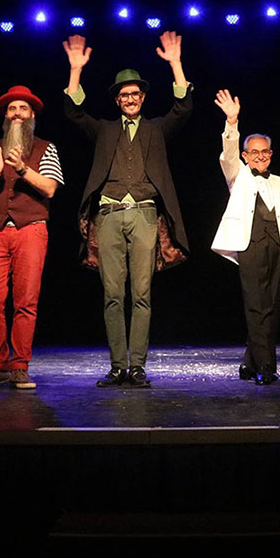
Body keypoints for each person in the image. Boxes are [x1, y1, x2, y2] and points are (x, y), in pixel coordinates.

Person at [62, 32, 192, 388]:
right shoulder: (104, 130)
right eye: (124, 95)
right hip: (108, 215)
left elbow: (183, 108)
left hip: (145, 215)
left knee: (142, 294)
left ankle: (137, 366)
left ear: (143, 98)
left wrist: (175, 63)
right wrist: (76, 70)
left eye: (135, 94)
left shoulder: (156, 128)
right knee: (113, 295)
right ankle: (118, 366)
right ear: (117, 100)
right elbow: (73, 112)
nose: (130, 99)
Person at [210, 89, 280, 385]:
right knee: (256, 305)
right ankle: (267, 366)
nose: (260, 156)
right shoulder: (238, 175)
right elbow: (228, 153)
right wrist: (232, 121)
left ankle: (250, 361)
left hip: (278, 248)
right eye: (254, 152)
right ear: (246, 156)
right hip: (250, 246)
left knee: (273, 307)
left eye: (265, 152)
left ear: (271, 154)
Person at [0, 86, 64, 390]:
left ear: (32, 114)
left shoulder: (45, 148)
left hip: (30, 229)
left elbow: (49, 188)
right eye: (12, 109)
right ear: (6, 116)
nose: (17, 113)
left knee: (26, 302)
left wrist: (22, 169)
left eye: (23, 108)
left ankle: (20, 366)